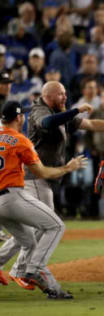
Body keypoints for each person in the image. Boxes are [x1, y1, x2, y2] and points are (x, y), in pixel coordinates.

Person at [0, 81, 104, 292]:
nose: (65, 96)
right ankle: (24, 270)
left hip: (29, 183)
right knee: (49, 225)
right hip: (35, 178)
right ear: (49, 95)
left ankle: (18, 268)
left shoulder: (59, 112)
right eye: (61, 94)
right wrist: (76, 110)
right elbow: (48, 122)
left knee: (33, 230)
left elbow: (89, 124)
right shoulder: (39, 110)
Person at [0, 101, 86, 299]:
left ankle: (51, 288)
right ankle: (35, 269)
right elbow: (41, 171)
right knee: (56, 226)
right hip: (12, 196)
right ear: (19, 118)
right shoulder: (20, 140)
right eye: (23, 116)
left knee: (29, 242)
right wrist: (67, 168)